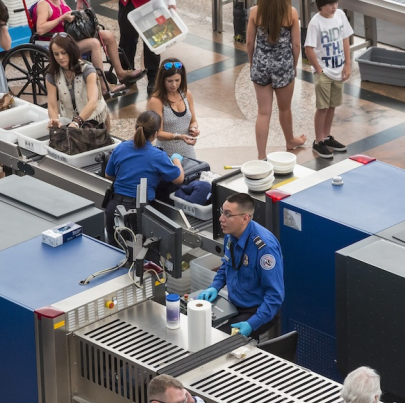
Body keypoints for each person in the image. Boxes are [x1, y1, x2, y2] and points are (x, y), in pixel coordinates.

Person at [197, 193, 285, 339]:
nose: (221, 219)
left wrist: (252, 324)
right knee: (199, 322)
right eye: (222, 212)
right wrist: (215, 286)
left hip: (257, 309)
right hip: (236, 303)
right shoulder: (230, 235)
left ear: (245, 218)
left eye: (228, 214)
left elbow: (275, 296)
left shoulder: (264, 248)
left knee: (220, 339)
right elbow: (227, 264)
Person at [104, 110, 184, 246]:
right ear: (155, 134)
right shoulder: (158, 155)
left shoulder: (121, 148)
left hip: (114, 208)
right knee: (139, 255)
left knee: (114, 251)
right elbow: (179, 179)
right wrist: (176, 160)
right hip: (137, 213)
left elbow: (109, 175)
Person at [34, 0, 146, 95]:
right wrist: (62, 18)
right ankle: (103, 86)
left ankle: (121, 73)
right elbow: (40, 29)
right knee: (94, 43)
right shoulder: (44, 4)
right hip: (57, 44)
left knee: (108, 36)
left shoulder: (60, 2)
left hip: (70, 38)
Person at [246, 0, 307, 160]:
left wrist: (253, 62)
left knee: (263, 112)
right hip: (283, 64)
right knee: (285, 108)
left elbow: (250, 42)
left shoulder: (254, 12)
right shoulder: (291, 13)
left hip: (261, 64)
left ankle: (261, 155)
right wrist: (293, 66)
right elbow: (296, 45)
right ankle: (290, 140)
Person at [303, 0, 350, 158]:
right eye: (330, 4)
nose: (334, 7)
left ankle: (327, 136)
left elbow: (345, 40)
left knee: (332, 105)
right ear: (321, 5)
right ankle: (318, 141)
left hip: (338, 70)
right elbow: (308, 48)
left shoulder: (340, 15)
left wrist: (347, 64)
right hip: (324, 72)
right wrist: (319, 70)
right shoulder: (315, 23)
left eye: (335, 2)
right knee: (322, 107)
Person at [45, 34, 109, 130]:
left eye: (64, 52)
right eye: (56, 54)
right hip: (69, 120)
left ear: (71, 51)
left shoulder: (88, 70)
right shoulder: (51, 75)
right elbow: (52, 105)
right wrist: (55, 120)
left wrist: (77, 122)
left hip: (95, 120)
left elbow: (93, 102)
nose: (60, 57)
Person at [117, 0, 176, 93]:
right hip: (128, 3)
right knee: (127, 39)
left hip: (151, 2)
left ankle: (153, 77)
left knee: (152, 38)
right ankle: (127, 72)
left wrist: (171, 2)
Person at [147, 58, 199, 158]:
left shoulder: (187, 94)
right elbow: (158, 133)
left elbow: (193, 120)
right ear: (162, 80)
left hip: (188, 152)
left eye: (177, 80)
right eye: (169, 81)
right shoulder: (156, 101)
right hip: (166, 155)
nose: (174, 84)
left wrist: (194, 128)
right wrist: (178, 136)